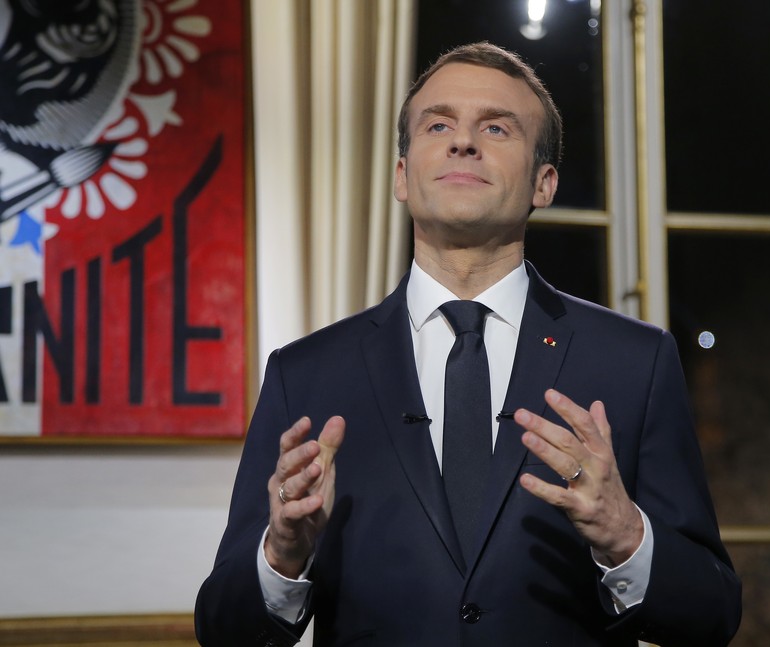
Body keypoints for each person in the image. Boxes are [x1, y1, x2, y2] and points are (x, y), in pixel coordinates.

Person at [195, 42, 741, 646]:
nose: (463, 142)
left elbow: (712, 612)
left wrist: (626, 537)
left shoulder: (634, 362)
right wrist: (282, 554)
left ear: (544, 181)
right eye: (438, 124)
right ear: (402, 176)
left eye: (497, 128)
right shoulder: (306, 374)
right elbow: (223, 629)